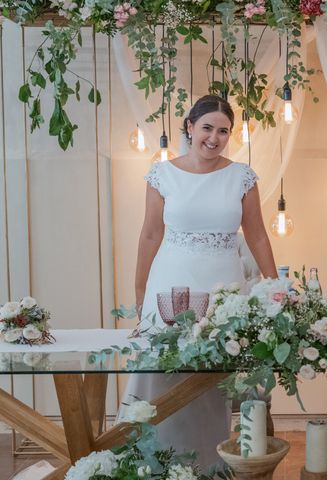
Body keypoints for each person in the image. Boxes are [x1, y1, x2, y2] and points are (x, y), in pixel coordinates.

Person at [121, 95, 278, 467]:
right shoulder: (162, 174)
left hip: (223, 288)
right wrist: (140, 292)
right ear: (189, 127)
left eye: (223, 131)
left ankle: (209, 465)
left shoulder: (242, 176)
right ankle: (150, 464)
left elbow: (256, 235)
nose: (214, 137)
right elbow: (149, 235)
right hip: (169, 286)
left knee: (212, 382)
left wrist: (275, 286)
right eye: (207, 127)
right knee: (160, 377)